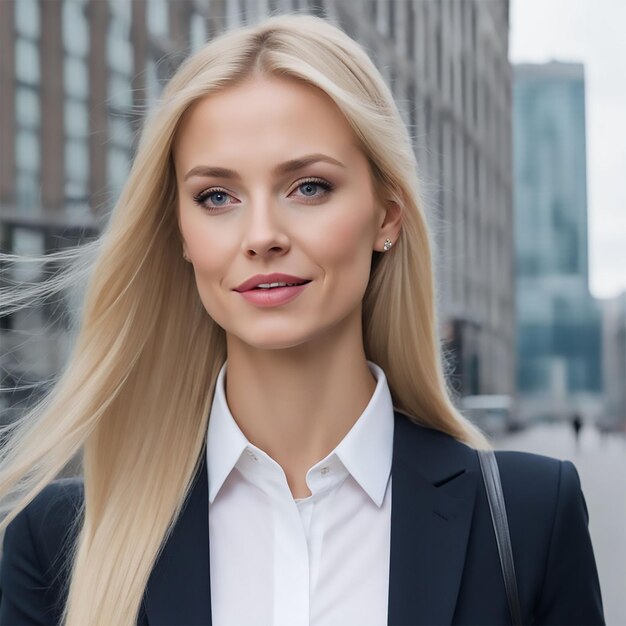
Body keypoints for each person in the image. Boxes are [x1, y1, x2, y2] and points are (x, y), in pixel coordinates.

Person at [0, 13, 604, 626]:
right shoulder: (55, 549)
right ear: (180, 233)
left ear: (387, 215)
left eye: (308, 187)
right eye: (217, 197)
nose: (262, 236)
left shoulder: (531, 519)